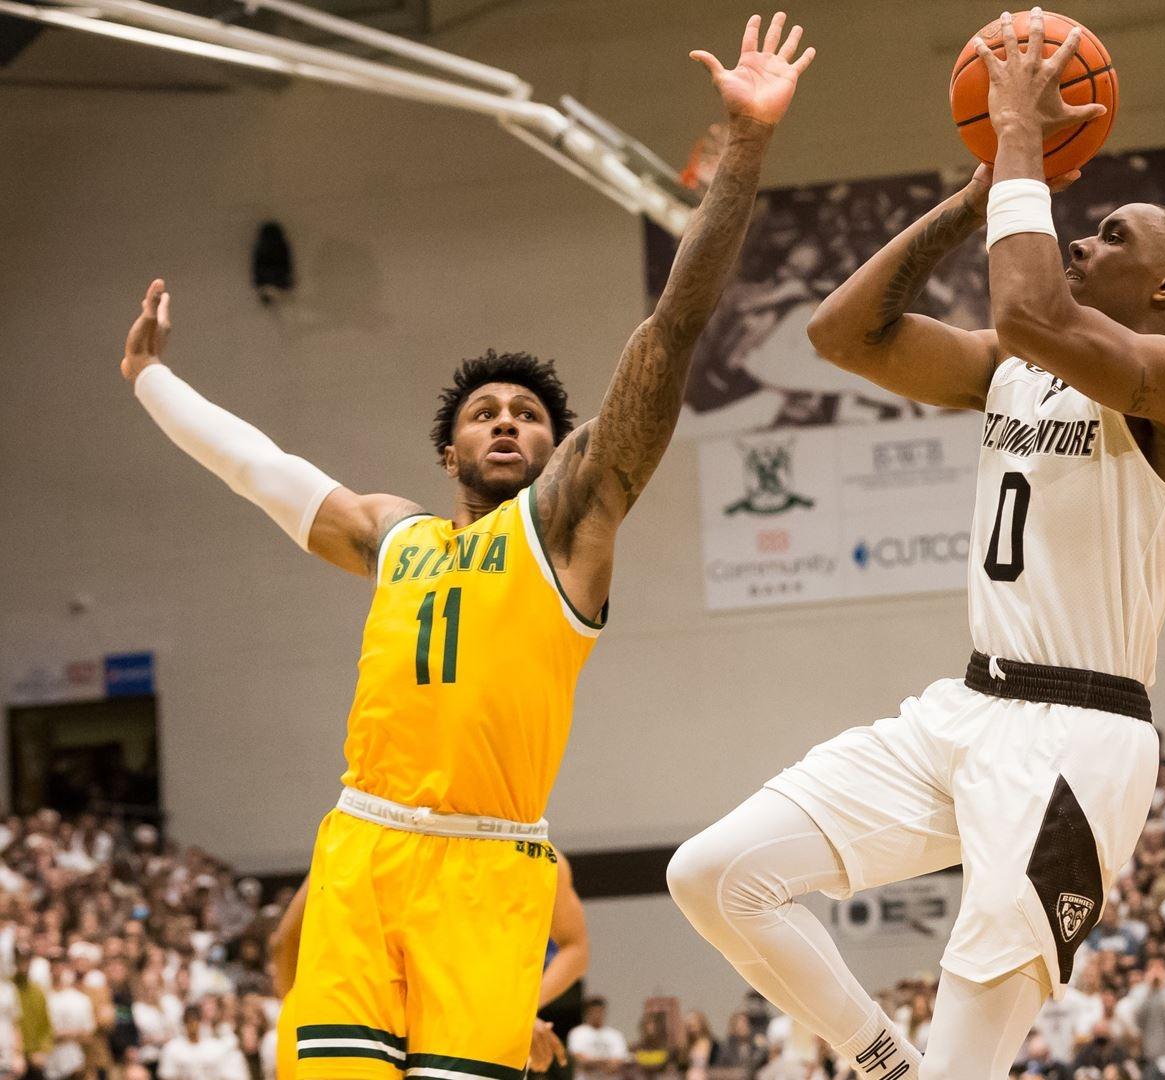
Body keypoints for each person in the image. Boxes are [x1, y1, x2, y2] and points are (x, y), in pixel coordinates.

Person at [115, 15, 811, 1080]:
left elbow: (671, 335)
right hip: (363, 848)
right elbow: (264, 470)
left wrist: (747, 149)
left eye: (529, 414)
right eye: (485, 412)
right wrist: (153, 381)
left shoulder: (568, 527)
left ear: (559, 448)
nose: (506, 422)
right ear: (450, 451)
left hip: (489, 872)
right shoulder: (396, 534)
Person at [668, 13, 1165, 1080]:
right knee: (715, 876)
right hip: (966, 708)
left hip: (1078, 739)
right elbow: (842, 335)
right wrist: (973, 198)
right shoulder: (1014, 366)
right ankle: (886, 1062)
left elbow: (1030, 312)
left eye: (1116, 238)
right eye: (1087, 227)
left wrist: (1018, 136)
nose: (1084, 241)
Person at [267, 851, 587, 1078]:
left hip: (341, 1010)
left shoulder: (361, 827)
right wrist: (513, 1014)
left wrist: (296, 1008)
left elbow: (284, 941)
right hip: (444, 1017)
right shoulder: (535, 854)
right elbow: (575, 947)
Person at [563, 1001, 627, 1080]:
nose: (597, 1015)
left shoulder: (615, 1035)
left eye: (599, 1011)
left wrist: (594, 1062)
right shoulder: (577, 1033)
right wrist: (604, 1063)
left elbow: (618, 1061)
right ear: (587, 1013)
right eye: (594, 1012)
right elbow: (580, 1058)